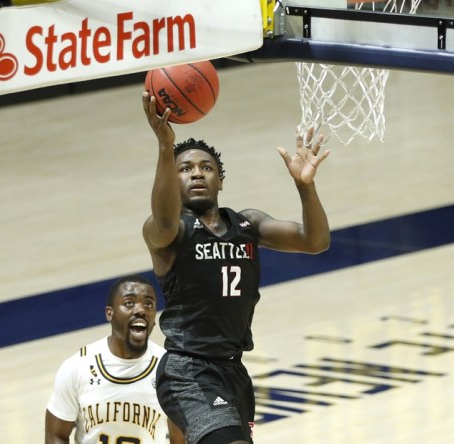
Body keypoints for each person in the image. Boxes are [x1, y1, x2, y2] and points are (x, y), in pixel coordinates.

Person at [141, 91, 331, 444]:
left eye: (206, 168)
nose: (196, 174)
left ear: (220, 180)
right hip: (189, 369)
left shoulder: (248, 224)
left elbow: (315, 241)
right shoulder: (171, 231)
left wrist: (305, 187)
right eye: (185, 169)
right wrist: (165, 148)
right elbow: (165, 215)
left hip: (234, 370)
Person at [45, 274, 184, 444]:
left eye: (148, 304)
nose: (141, 310)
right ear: (109, 313)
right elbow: (56, 435)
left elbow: (182, 440)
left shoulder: (170, 370)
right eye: (129, 303)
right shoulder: (77, 367)